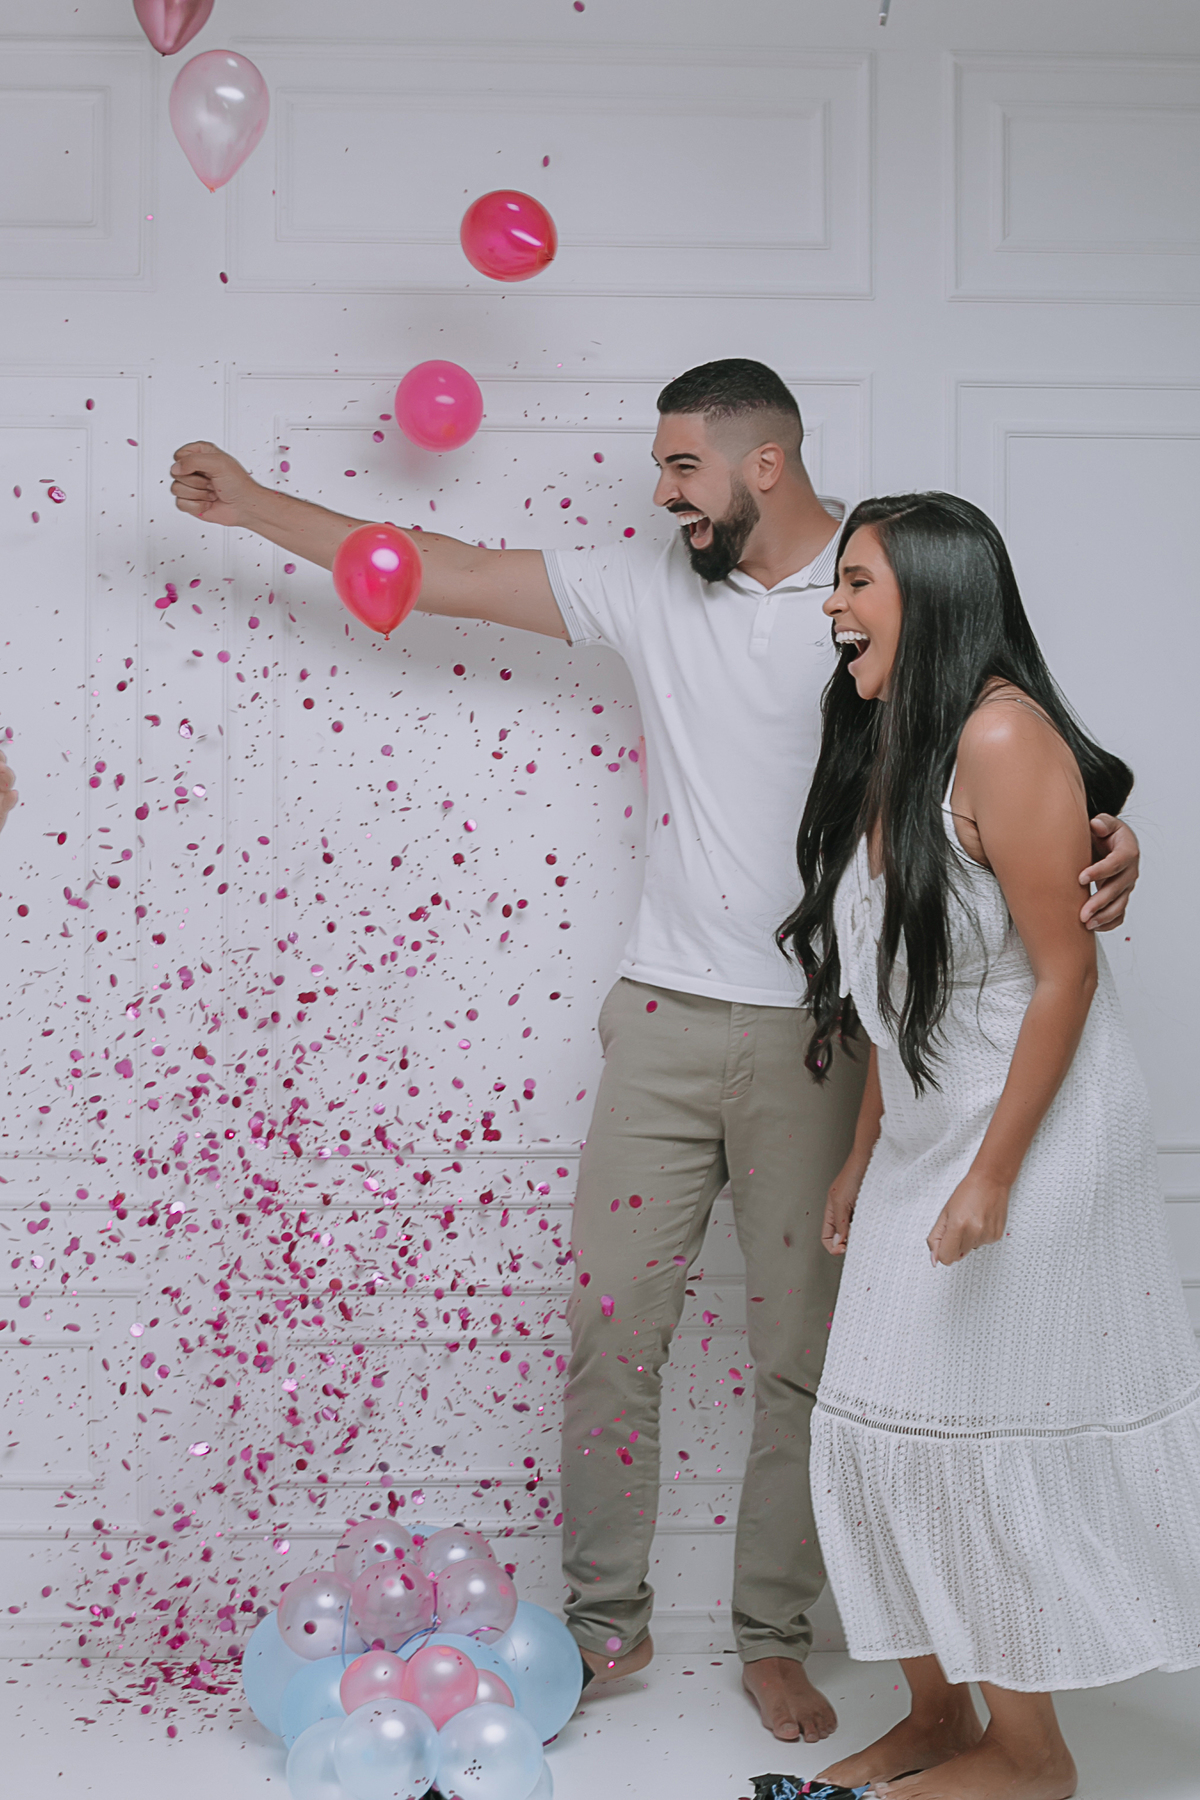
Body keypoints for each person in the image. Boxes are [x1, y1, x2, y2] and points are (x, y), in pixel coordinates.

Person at [169, 363, 1140, 1746]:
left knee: (803, 1354)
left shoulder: (884, 585)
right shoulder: (650, 589)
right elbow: (443, 569)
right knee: (611, 1328)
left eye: (683, 464)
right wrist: (259, 504)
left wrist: (1106, 835)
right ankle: (605, 1626)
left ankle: (774, 1637)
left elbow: (998, 748)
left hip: (829, 1040)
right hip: (664, 1020)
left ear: (763, 464)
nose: (663, 489)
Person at [779, 493, 1200, 1798]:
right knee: (879, 1426)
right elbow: (891, 988)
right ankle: (939, 1714)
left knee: (978, 1426)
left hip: (1036, 1129)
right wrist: (866, 1153)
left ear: (937, 594)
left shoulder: (1003, 736)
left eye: (858, 581)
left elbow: (1064, 974)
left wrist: (994, 1175)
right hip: (929, 1127)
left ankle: (1029, 1754)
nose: (835, 605)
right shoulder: (887, 745)